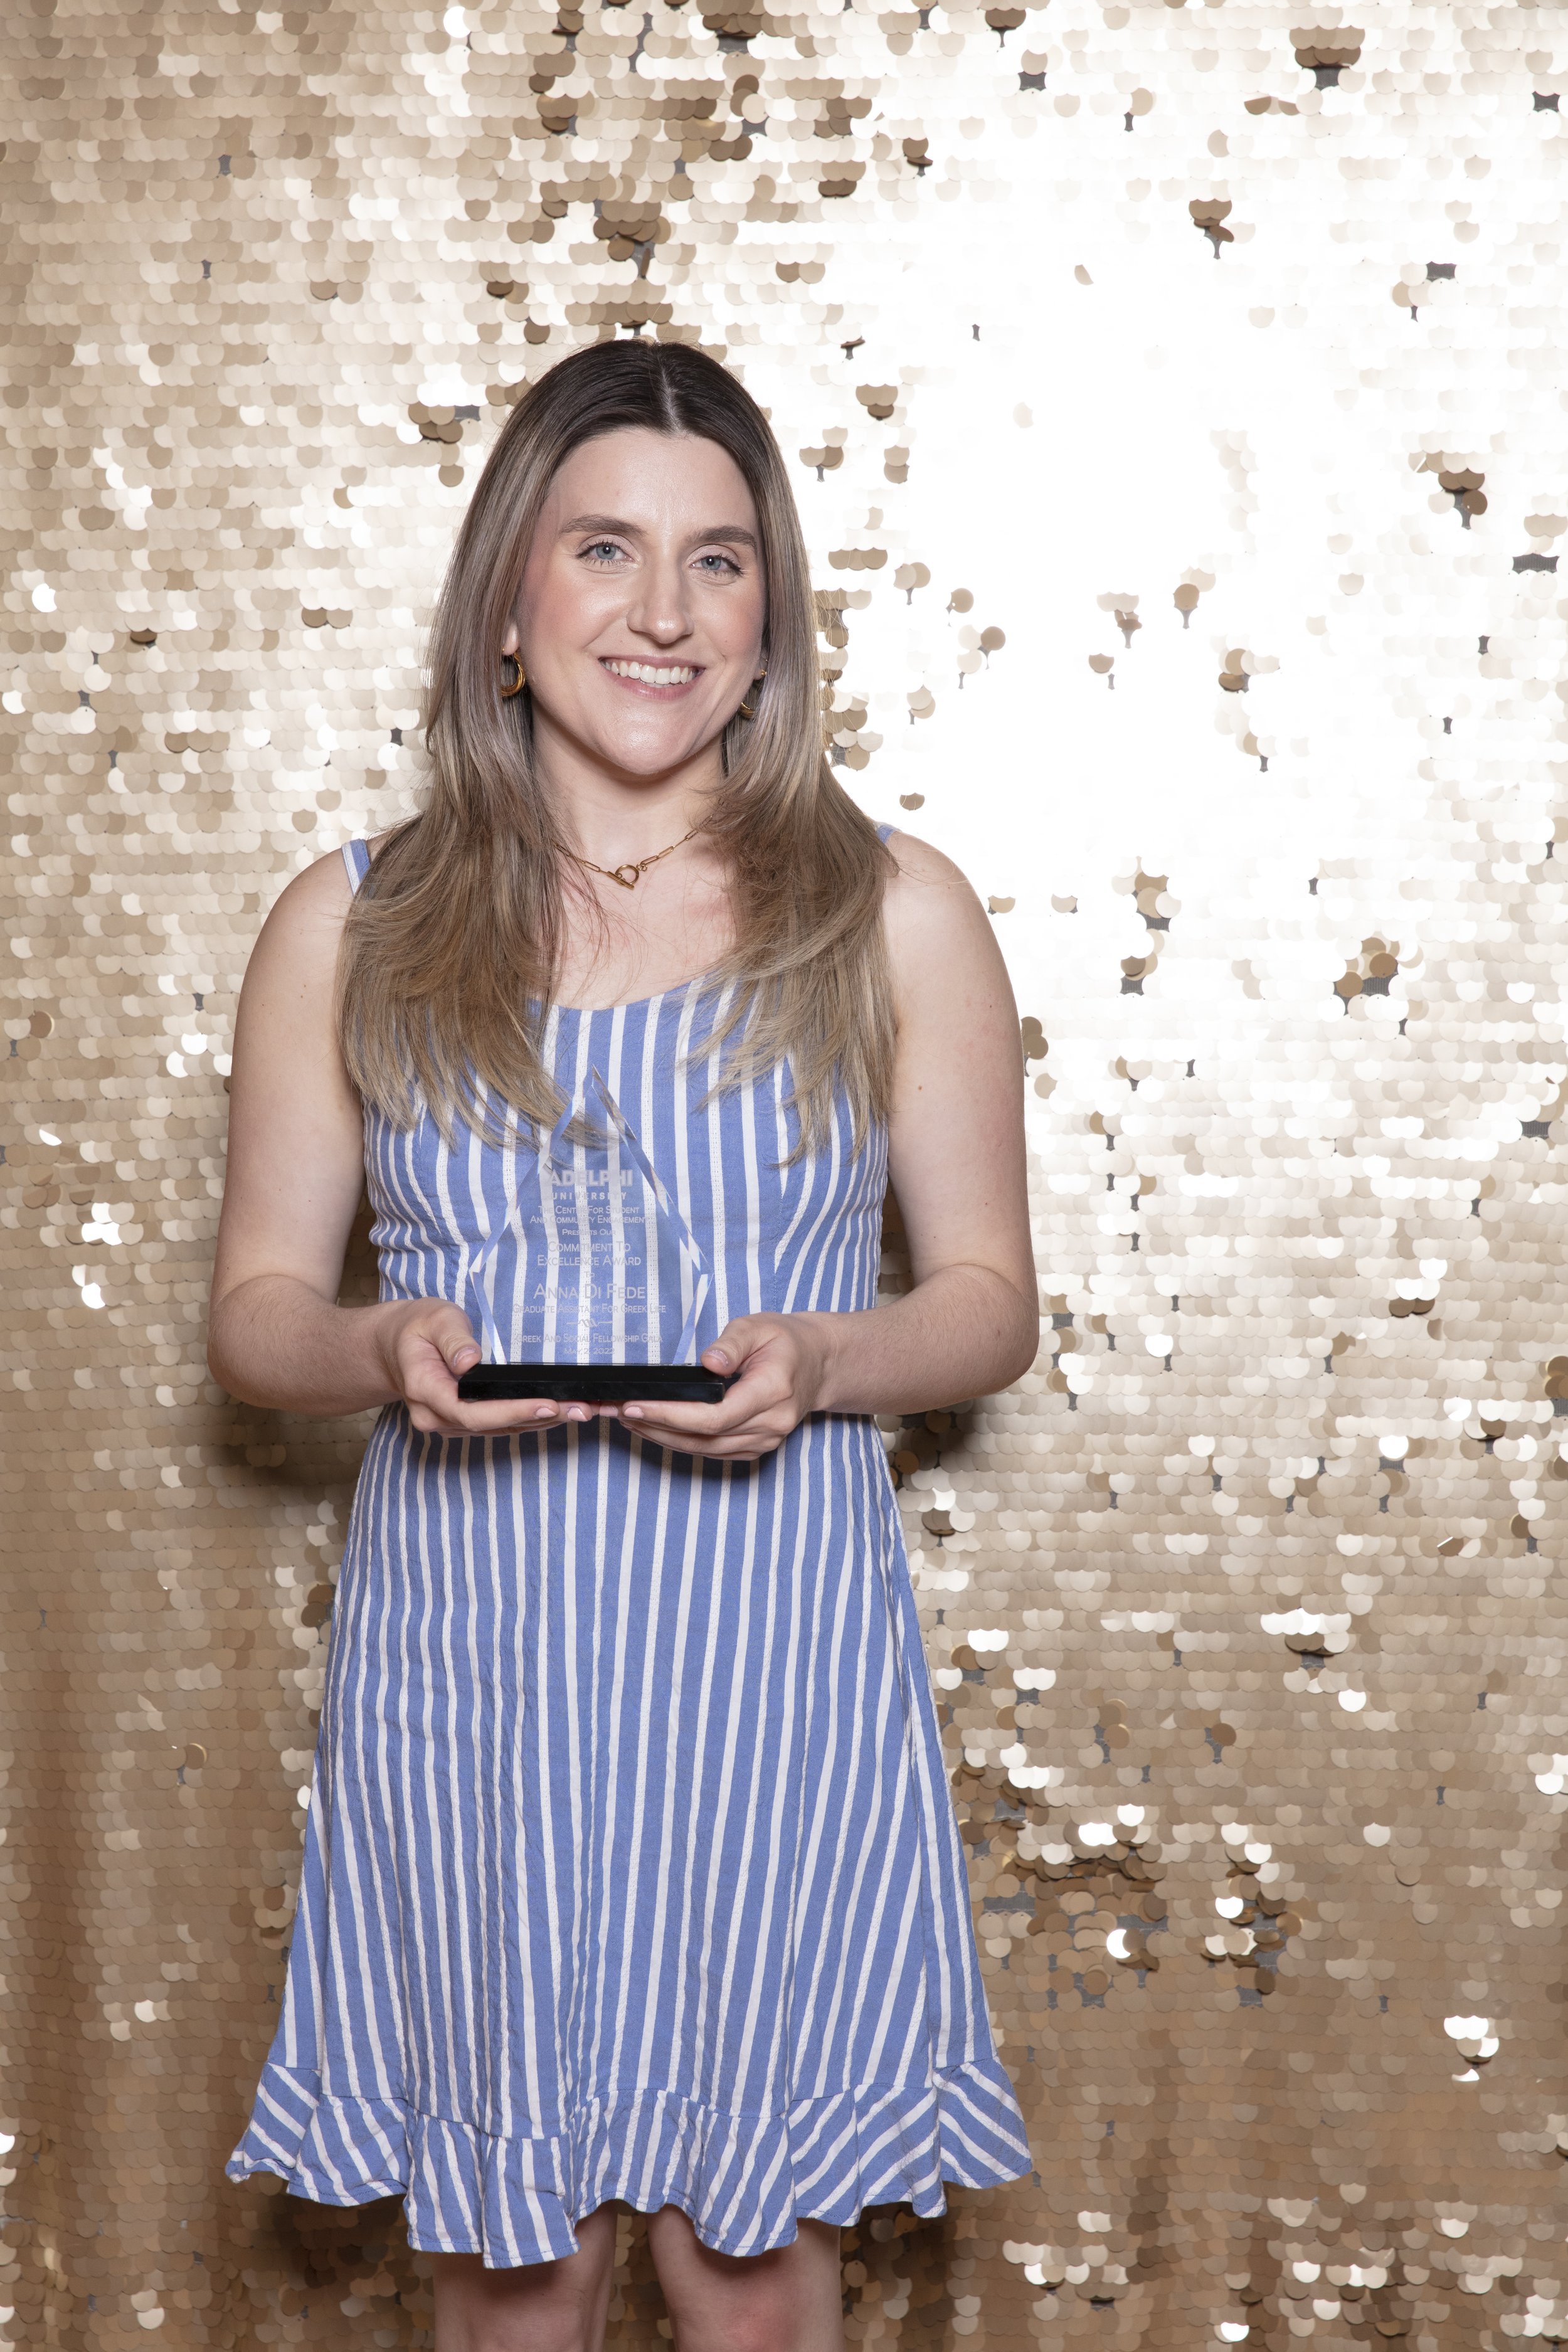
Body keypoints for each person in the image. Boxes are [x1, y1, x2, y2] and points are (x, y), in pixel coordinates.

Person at [211, 339, 1037, 2352]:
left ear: (771, 625)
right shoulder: (355, 918)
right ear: (508, 605)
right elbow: (253, 1321)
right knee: (516, 2269)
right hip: (477, 1664)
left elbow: (988, 1306)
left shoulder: (890, 907)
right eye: (604, 550)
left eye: (720, 562)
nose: (664, 613)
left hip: (770, 1655)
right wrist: (383, 1344)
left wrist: (831, 1367)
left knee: (746, 2272)